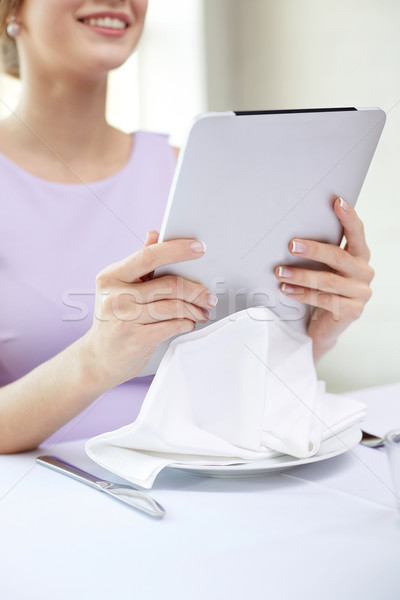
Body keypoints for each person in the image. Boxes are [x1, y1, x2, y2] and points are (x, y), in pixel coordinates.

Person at [0, 0, 374, 454]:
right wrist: (96, 360)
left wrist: (317, 332)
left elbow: (241, 386)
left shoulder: (188, 170)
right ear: (11, 11)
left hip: (188, 490)